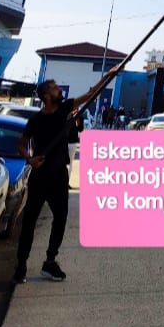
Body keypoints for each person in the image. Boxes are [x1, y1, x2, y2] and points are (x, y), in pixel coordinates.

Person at [12, 72, 113, 285]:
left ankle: (50, 261)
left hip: (59, 175)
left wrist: (108, 76)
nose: (59, 90)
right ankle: (21, 265)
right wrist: (30, 159)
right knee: (29, 221)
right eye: (55, 88)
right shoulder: (36, 120)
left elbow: (90, 95)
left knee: (61, 218)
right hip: (40, 176)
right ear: (46, 96)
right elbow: (21, 144)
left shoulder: (64, 108)